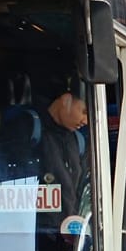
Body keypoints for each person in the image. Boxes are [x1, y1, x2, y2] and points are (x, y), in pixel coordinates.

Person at [40, 85, 90, 215]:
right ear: (65, 100)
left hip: (69, 228)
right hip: (39, 230)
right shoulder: (31, 132)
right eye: (84, 112)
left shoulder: (77, 141)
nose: (86, 121)